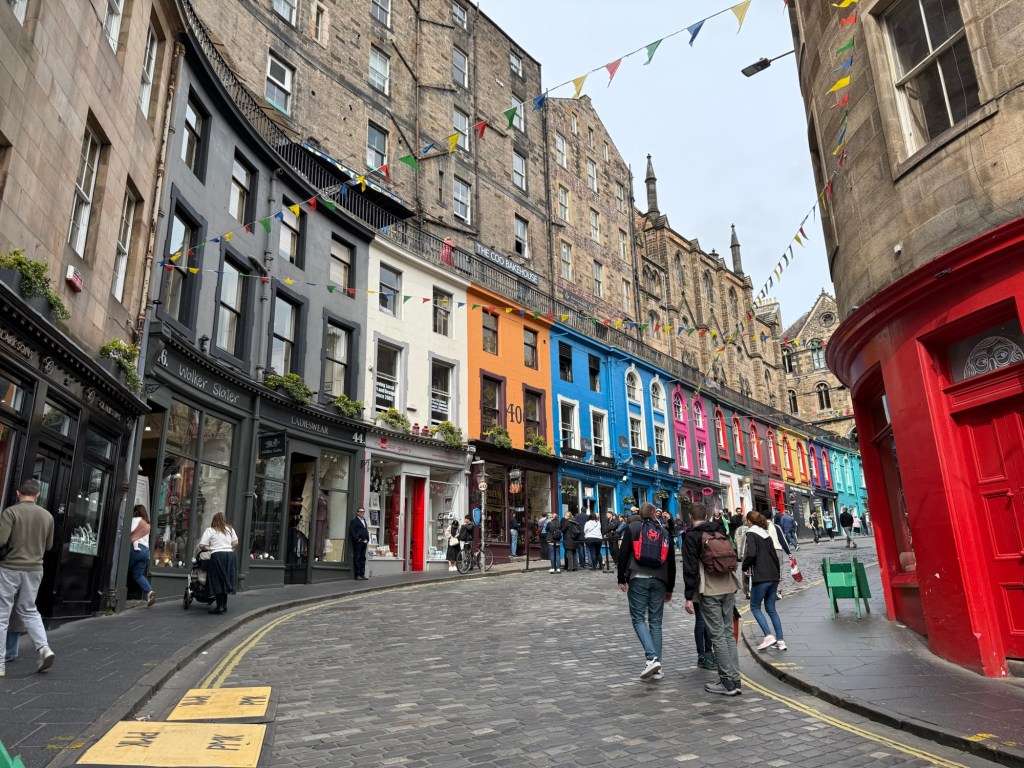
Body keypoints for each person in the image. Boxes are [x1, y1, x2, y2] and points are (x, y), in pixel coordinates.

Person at [682, 502, 741, 696]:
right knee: (727, 632)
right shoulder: (719, 530)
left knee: (716, 635)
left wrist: (689, 596)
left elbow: (690, 567)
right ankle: (735, 678)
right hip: (729, 585)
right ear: (706, 515)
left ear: (691, 516)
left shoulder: (692, 536)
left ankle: (727, 682)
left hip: (709, 588)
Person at [0, 478, 56, 677]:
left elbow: (1, 540)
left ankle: (0, 663)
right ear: (37, 494)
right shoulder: (47, 516)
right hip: (35, 569)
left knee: (2, 613)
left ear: (17, 493)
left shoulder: (11, 512)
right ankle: (44, 649)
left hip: (10, 567)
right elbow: (48, 546)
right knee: (29, 610)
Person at [617, 502, 675, 681]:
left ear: (640, 515)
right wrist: (670, 588)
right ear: (655, 515)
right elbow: (671, 562)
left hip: (638, 578)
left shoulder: (632, 527)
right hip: (659, 579)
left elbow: (624, 553)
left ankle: (652, 658)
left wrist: (621, 577)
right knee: (656, 622)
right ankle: (657, 669)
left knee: (638, 619)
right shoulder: (664, 532)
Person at [743, 511, 786, 651]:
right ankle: (781, 641)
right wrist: (778, 576)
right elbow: (774, 556)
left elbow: (751, 554)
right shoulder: (766, 534)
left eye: (746, 520)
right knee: (771, 609)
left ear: (750, 521)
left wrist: (744, 567)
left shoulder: (751, 533)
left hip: (761, 576)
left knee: (755, 607)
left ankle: (768, 636)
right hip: (773, 575)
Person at [198, 512, 238, 614]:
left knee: (217, 580)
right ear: (223, 520)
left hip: (217, 556)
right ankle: (224, 606)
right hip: (230, 556)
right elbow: (235, 542)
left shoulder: (210, 530)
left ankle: (219, 607)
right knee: (225, 579)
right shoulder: (229, 529)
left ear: (214, 520)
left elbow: (202, 545)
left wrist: (210, 548)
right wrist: (228, 547)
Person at [129, 504, 156, 606]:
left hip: (137, 550)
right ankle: (149, 592)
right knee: (138, 575)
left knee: (122, 567)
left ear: (136, 511)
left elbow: (129, 530)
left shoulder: (136, 519)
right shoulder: (147, 524)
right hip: (146, 552)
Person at [349, 508, 370, 580]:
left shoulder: (364, 520)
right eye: (360, 512)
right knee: (357, 557)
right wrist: (357, 539)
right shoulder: (354, 521)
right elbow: (352, 531)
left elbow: (365, 530)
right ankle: (357, 574)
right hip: (358, 542)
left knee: (363, 558)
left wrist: (367, 539)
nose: (362, 513)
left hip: (364, 541)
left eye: (363, 512)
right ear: (357, 513)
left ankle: (362, 573)